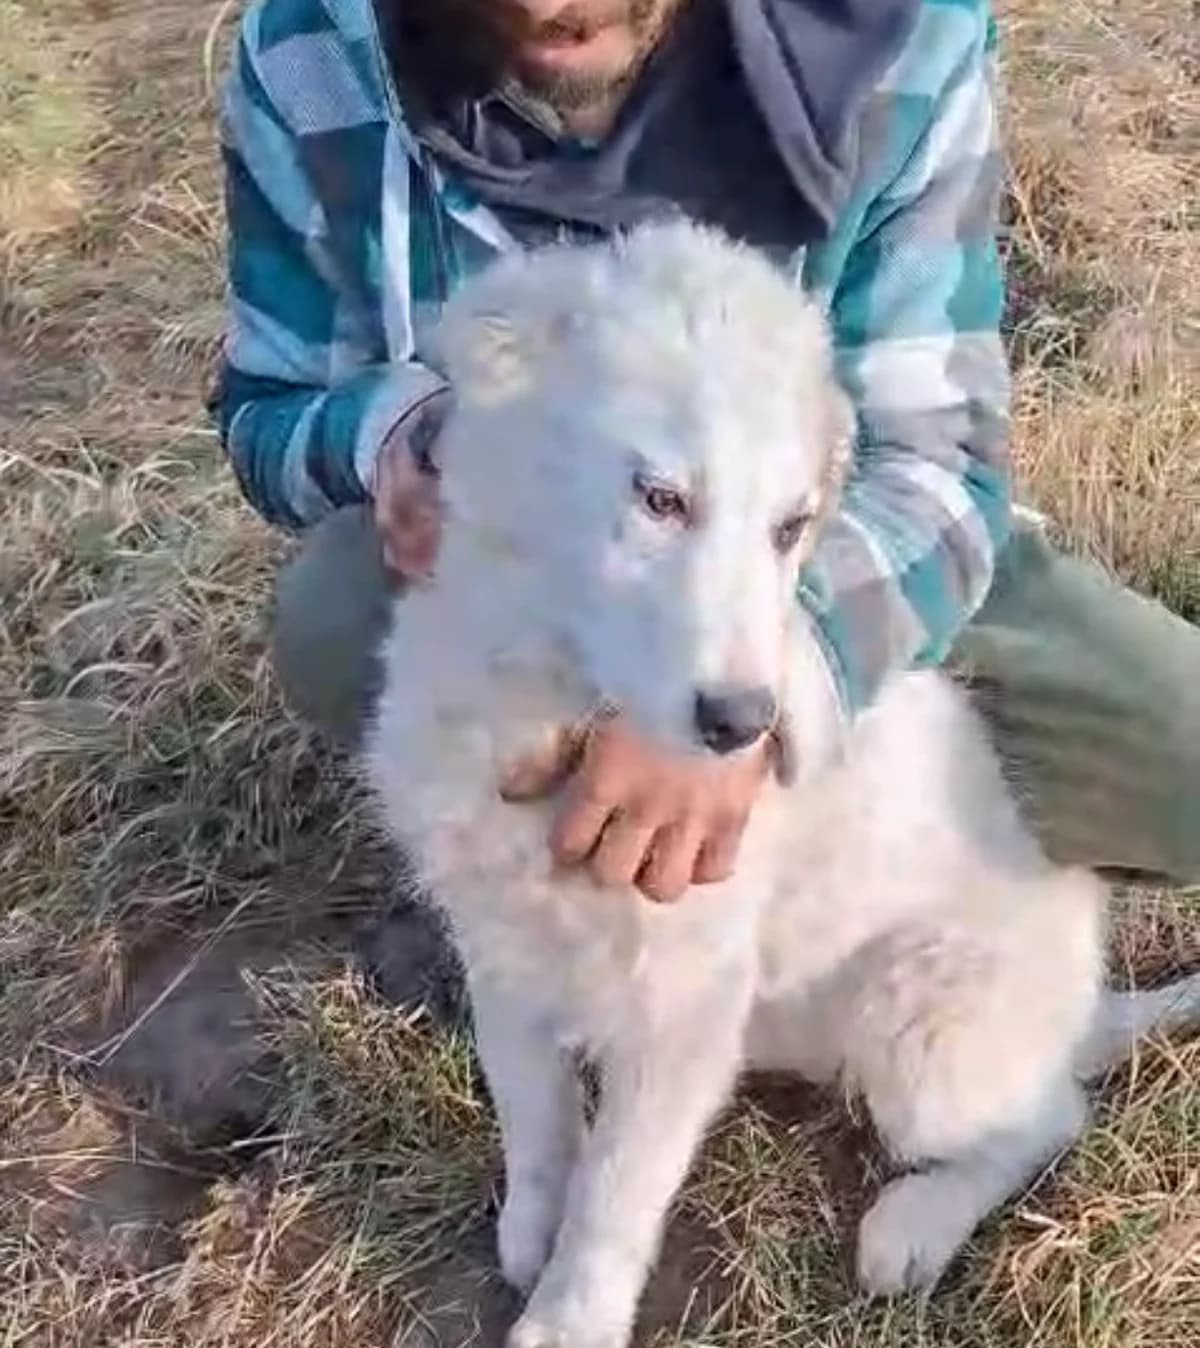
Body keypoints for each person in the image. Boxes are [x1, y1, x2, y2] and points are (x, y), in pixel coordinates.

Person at [214, 0, 1199, 901]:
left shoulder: (901, 37)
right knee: (339, 607)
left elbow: (934, 464)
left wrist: (765, 682)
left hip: (831, 552)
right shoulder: (312, 52)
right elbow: (273, 406)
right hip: (523, 581)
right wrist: (396, 429)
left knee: (1179, 752)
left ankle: (867, 873)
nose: (548, 4)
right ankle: (531, 888)